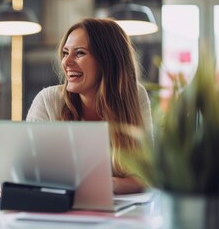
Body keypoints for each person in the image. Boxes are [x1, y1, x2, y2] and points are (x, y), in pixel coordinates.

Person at [26, 18, 153, 195]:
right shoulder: (48, 100)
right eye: (65, 53)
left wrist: (104, 185)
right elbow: (30, 167)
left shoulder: (134, 96)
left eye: (79, 53)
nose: (66, 62)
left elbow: (146, 176)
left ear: (107, 60)